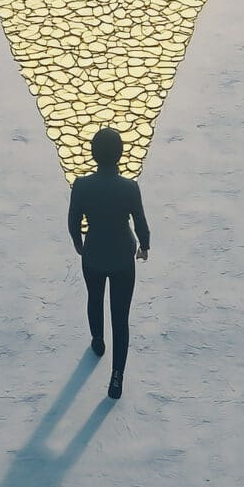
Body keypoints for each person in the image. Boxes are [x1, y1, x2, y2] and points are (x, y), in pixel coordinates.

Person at [67, 127, 150, 400]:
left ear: (93, 154)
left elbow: (73, 221)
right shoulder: (129, 187)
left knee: (94, 298)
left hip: (93, 254)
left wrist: (79, 244)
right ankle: (116, 377)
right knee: (120, 317)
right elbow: (140, 222)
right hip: (122, 257)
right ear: (120, 154)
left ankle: (98, 340)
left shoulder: (81, 186)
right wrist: (144, 246)